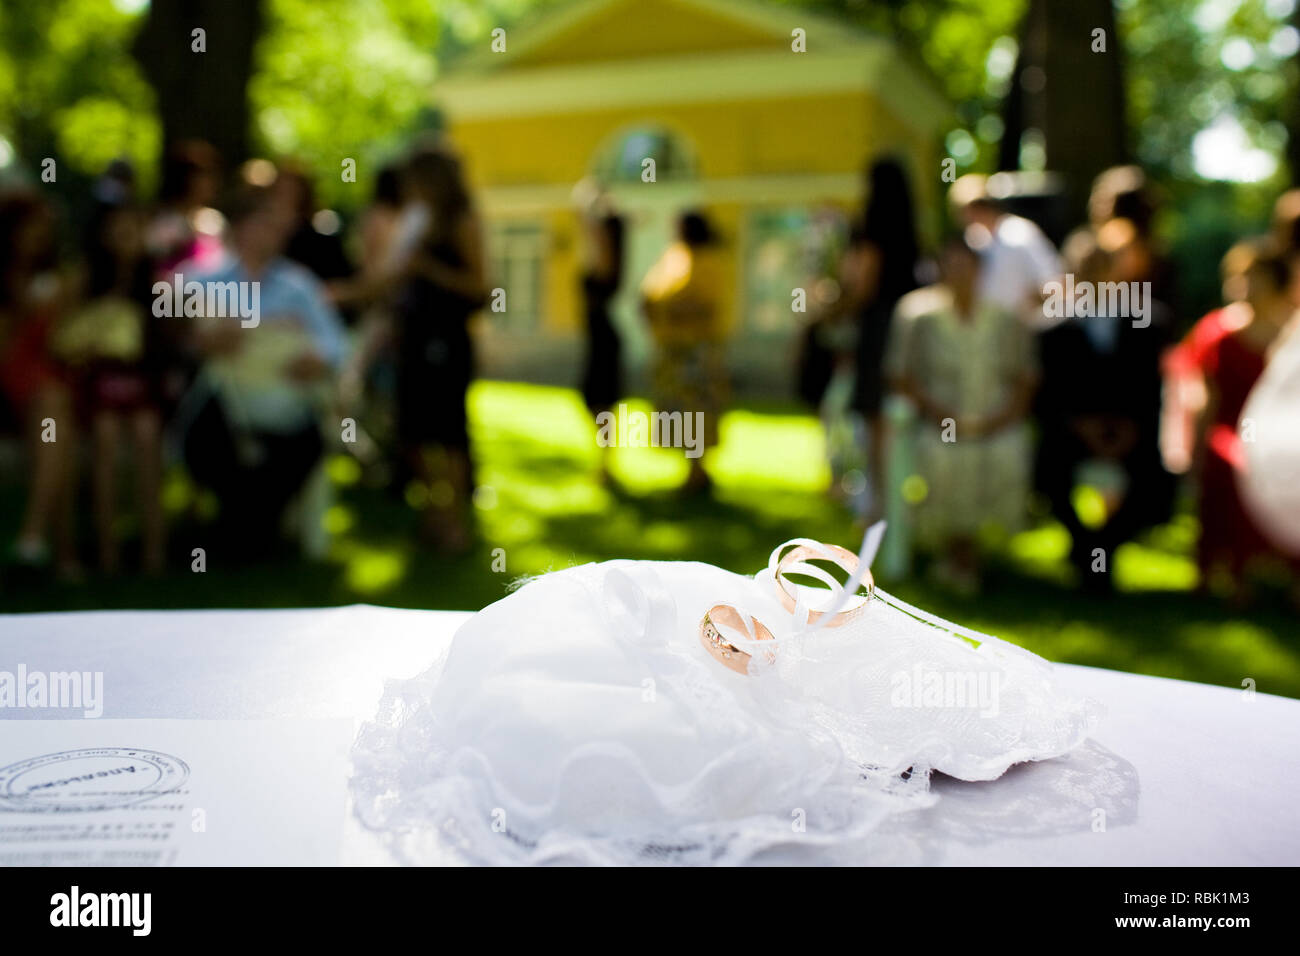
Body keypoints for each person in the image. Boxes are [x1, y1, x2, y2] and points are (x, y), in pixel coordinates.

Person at [180, 177, 348, 559]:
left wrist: (316, 359)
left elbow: (333, 342)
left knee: (304, 445)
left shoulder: (300, 286)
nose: (275, 232)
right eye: (264, 222)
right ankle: (243, 532)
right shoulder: (202, 280)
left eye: (277, 224)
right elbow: (182, 340)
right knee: (206, 441)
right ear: (240, 226)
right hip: (225, 401)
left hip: (287, 398)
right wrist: (205, 342)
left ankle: (250, 534)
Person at [885, 234, 1039, 593]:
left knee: (1007, 454)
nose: (956, 272)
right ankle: (954, 552)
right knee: (944, 459)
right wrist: (944, 416)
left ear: (979, 269)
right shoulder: (916, 313)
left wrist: (998, 420)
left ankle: (976, 553)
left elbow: (1024, 378)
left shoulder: (1003, 317)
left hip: (995, 421)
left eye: (964, 264)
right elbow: (900, 375)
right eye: (948, 264)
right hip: (939, 421)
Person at [1036, 224, 1174, 591]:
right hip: (1073, 434)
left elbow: (1151, 389)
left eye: (1103, 265)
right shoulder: (1053, 328)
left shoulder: (1149, 323)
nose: (1096, 274)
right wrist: (1083, 428)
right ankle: (1090, 554)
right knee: (1048, 473)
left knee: (1157, 486)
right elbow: (1050, 395)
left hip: (1132, 433)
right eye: (1087, 266)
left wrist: (1127, 432)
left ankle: (1097, 551)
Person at [1171, 240, 1297, 601]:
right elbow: (1204, 399)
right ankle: (1231, 571)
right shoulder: (1218, 332)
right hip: (1234, 429)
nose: (1244, 287)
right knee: (1236, 461)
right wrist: (1194, 449)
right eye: (1239, 277)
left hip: (1285, 433)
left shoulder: (1293, 335)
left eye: (1253, 278)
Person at [53, 186, 165, 574]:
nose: (128, 240)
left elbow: (161, 345)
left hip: (140, 383)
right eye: (119, 232)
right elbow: (63, 340)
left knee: (148, 433)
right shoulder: (85, 279)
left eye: (134, 231)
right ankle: (107, 551)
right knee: (104, 435)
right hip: (97, 385)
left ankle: (154, 550)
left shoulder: (154, 281)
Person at [391, 145, 488, 552]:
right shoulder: (419, 220)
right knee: (413, 428)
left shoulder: (461, 221)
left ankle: (453, 523)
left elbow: (481, 287)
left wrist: (427, 269)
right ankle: (434, 511)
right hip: (415, 337)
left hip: (446, 340)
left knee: (447, 431)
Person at [0, 189, 78, 575]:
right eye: (33, 227)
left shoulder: (57, 278)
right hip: (11, 377)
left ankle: (36, 541)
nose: (40, 236)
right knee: (53, 408)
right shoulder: (7, 279)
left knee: (53, 426)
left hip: (45, 384)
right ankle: (59, 552)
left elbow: (64, 342)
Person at [841, 158, 920, 521]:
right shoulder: (911, 227)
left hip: (879, 325)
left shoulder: (873, 227)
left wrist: (843, 305)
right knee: (897, 414)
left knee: (876, 417)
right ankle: (895, 499)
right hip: (907, 323)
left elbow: (865, 284)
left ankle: (878, 505)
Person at [641, 211, 727, 493]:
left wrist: (671, 309)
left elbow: (707, 305)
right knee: (680, 412)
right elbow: (652, 293)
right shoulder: (675, 257)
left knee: (697, 410)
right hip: (673, 351)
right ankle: (693, 471)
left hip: (695, 351)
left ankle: (697, 472)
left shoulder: (708, 262)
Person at [949, 173, 1061, 323]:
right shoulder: (971, 240)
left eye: (978, 205)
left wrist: (1031, 305)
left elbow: (1052, 279)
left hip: (1021, 326)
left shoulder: (1020, 232)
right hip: (985, 329)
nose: (971, 214)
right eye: (965, 209)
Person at [577, 195, 625, 479]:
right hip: (598, 336)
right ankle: (604, 461)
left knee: (600, 401)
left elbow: (585, 221)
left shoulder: (606, 262)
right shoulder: (603, 255)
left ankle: (606, 463)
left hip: (603, 339)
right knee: (595, 401)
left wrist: (591, 201)